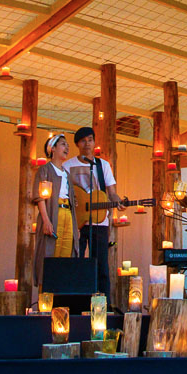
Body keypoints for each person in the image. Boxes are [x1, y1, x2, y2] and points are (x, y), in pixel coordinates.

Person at [67, 126, 123, 303]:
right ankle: (76, 303)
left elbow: (111, 192)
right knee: (76, 262)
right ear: (77, 144)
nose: (87, 144)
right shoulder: (68, 165)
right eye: (83, 141)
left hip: (99, 222)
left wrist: (118, 201)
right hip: (76, 221)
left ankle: (103, 304)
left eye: (90, 140)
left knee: (101, 265)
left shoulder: (102, 165)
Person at [33, 133, 78, 294]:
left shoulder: (66, 174)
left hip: (67, 214)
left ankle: (61, 297)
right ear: (52, 149)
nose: (67, 148)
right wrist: (46, 220)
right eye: (63, 144)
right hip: (53, 212)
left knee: (66, 255)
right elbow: (40, 197)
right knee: (50, 253)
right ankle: (45, 298)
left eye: (67, 145)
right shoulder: (45, 170)